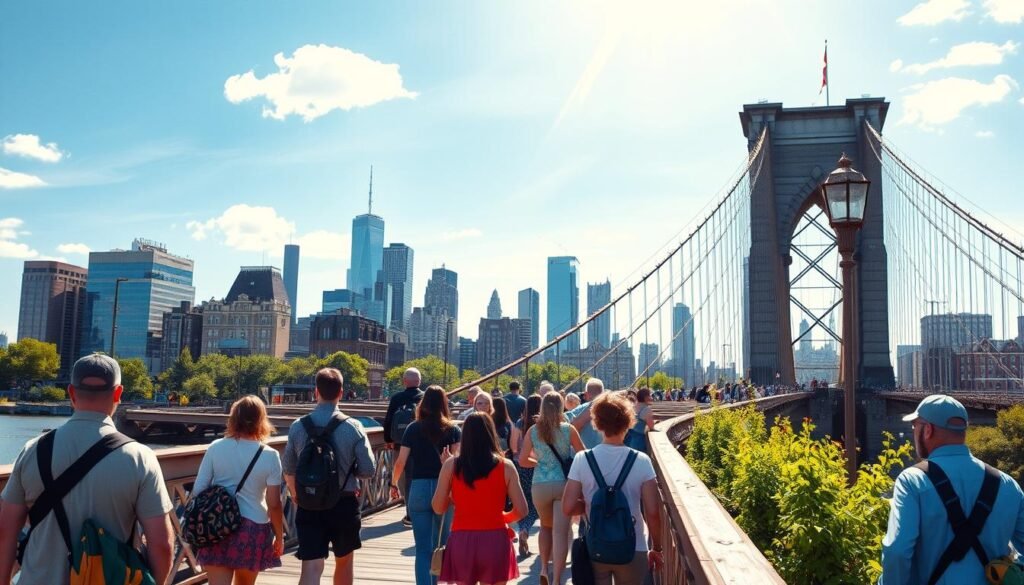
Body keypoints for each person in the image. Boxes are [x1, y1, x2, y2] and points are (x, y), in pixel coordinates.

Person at [0, 354, 175, 585]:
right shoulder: (140, 458)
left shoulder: (33, 450)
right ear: (118, 394)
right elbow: (161, 544)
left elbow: (5, 532)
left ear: (71, 393)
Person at [879, 394, 1024, 584]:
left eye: (915, 427)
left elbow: (897, 551)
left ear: (928, 430)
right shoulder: (1007, 485)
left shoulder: (912, 481)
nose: (913, 432)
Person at [283, 368, 376, 585]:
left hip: (309, 503)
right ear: (341, 392)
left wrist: (296, 495)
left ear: (316, 392)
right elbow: (369, 470)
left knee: (311, 566)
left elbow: (288, 468)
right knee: (344, 562)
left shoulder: (298, 426)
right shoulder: (353, 427)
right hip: (343, 502)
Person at [563, 391, 664, 585]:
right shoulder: (641, 460)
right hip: (634, 546)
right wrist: (657, 548)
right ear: (628, 421)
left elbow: (567, 508)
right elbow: (652, 512)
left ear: (596, 423)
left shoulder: (582, 459)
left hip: (596, 544)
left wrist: (586, 506)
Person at [193, 395, 285, 585]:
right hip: (252, 528)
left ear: (233, 419)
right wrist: (279, 535)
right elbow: (274, 503)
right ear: (262, 420)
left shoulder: (215, 448)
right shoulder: (270, 456)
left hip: (216, 526)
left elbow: (198, 490)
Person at [432, 412, 529, 585]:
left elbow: (438, 508)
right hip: (495, 539)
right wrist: (502, 517)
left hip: (462, 539)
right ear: (490, 434)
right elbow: (522, 510)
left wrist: (449, 484)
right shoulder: (505, 466)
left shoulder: (450, 465)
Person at [390, 386, 461, 585]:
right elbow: (458, 462)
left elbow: (401, 462)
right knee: (442, 543)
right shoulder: (453, 429)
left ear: (423, 404)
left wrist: (393, 483)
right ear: (444, 404)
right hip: (444, 489)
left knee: (422, 548)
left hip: (419, 489)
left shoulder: (413, 428)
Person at [519, 392, 585, 585]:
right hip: (564, 485)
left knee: (546, 527)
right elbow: (583, 454)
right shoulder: (568, 429)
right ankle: (557, 579)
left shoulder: (533, 430)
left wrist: (539, 462)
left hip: (540, 486)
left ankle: (542, 569)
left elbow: (523, 461)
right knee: (561, 532)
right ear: (561, 407)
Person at [384, 367, 424, 527]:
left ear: (404, 382)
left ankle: (409, 510)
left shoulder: (397, 398)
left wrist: (388, 439)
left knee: (403, 477)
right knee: (420, 477)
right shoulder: (425, 397)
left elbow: (388, 420)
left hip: (400, 444)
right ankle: (419, 509)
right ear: (419, 381)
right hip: (422, 445)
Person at [510, 394, 542, 556]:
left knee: (523, 503)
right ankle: (526, 529)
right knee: (536, 504)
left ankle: (523, 528)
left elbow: (513, 447)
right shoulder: (542, 425)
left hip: (520, 467)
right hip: (538, 467)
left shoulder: (520, 423)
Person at [565, 377, 609, 449]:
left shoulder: (577, 411)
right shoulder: (612, 411)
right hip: (606, 455)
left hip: (583, 456)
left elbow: (565, 433)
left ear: (585, 394)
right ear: (603, 393)